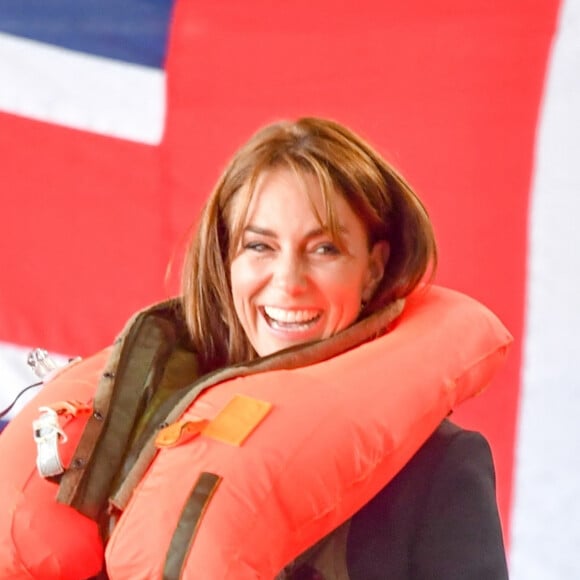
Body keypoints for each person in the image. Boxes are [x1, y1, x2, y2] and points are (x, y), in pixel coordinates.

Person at [0, 117, 509, 579]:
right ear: (226, 260)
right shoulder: (133, 430)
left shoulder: (439, 467)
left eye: (324, 249)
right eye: (259, 246)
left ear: (373, 269)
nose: (287, 283)